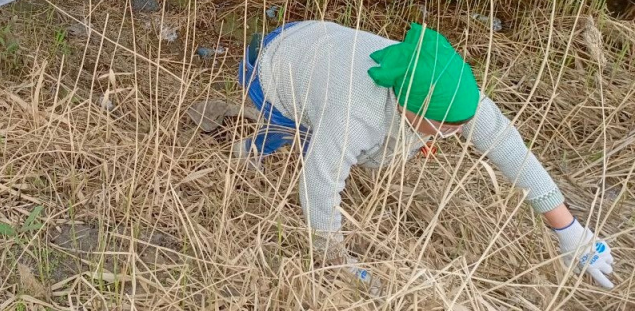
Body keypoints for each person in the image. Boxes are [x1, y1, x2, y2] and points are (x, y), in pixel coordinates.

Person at [236, 20, 615, 292]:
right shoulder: (353, 109)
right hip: (271, 65)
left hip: (320, 41)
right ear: (408, 107)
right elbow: (319, 182)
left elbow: (509, 149)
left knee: (343, 143)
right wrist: (334, 257)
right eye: (445, 127)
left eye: (460, 125)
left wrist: (570, 230)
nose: (455, 133)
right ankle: (250, 150)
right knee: (299, 137)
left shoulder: (448, 89)